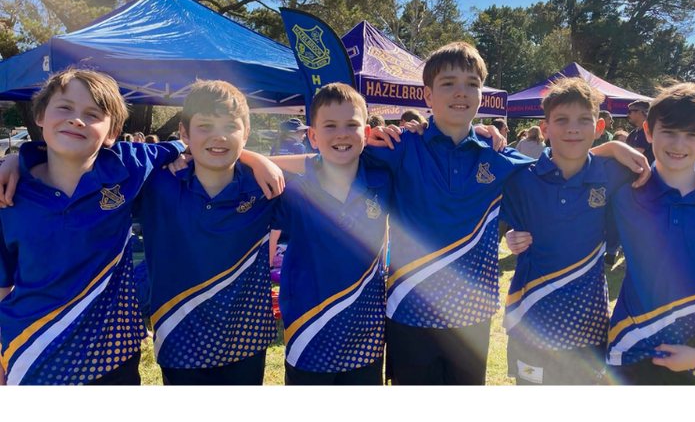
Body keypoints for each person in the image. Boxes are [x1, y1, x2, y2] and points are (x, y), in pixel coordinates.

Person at [360, 43, 539, 385]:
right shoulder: (399, 147)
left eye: (472, 83)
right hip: (409, 311)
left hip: (472, 317)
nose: (461, 92)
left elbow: (560, 167)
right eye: (448, 83)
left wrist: (611, 148)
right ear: (427, 95)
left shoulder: (500, 157)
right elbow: (334, 160)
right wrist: (253, 158)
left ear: (482, 95)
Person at [0, 69, 183, 385]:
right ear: (40, 115)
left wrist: (255, 159)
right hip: (30, 353)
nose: (77, 120)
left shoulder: (128, 165)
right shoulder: (8, 193)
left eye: (92, 114)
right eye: (65, 108)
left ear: (112, 132)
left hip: (113, 357)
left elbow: (194, 144)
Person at [500, 78, 654, 384]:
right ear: (544, 129)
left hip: (589, 323)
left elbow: (677, 172)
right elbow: (503, 225)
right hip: (532, 322)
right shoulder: (520, 177)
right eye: (562, 120)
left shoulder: (614, 172)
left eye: (584, 120)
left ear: (598, 127)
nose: (573, 128)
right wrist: (509, 238)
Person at [135, 80, 284, 385]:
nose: (218, 136)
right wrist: (20, 159)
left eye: (230, 126)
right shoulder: (156, 185)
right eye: (205, 126)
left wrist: (256, 158)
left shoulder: (264, 186)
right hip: (179, 341)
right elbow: (94, 161)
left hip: (246, 341)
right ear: (184, 133)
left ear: (246, 133)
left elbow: (326, 162)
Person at [606, 83, 695, 384]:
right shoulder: (626, 188)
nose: (679, 144)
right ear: (648, 131)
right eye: (669, 131)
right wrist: (612, 146)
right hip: (628, 347)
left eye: (692, 135)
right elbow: (571, 162)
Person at [270, 83, 392, 385]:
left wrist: (480, 131)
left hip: (366, 334)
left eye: (351, 125)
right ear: (312, 135)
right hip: (307, 331)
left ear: (366, 131)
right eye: (330, 126)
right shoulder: (294, 188)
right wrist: (254, 158)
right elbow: (269, 245)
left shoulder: (384, 179)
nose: (341, 134)